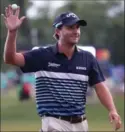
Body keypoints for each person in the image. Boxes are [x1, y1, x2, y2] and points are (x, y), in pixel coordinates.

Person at [2, 4, 122, 132]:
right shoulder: (42, 55)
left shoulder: (88, 58)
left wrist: (112, 110)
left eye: (77, 27)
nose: (76, 31)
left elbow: (100, 86)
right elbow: (10, 59)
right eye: (70, 27)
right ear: (58, 31)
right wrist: (12, 32)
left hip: (81, 124)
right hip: (54, 123)